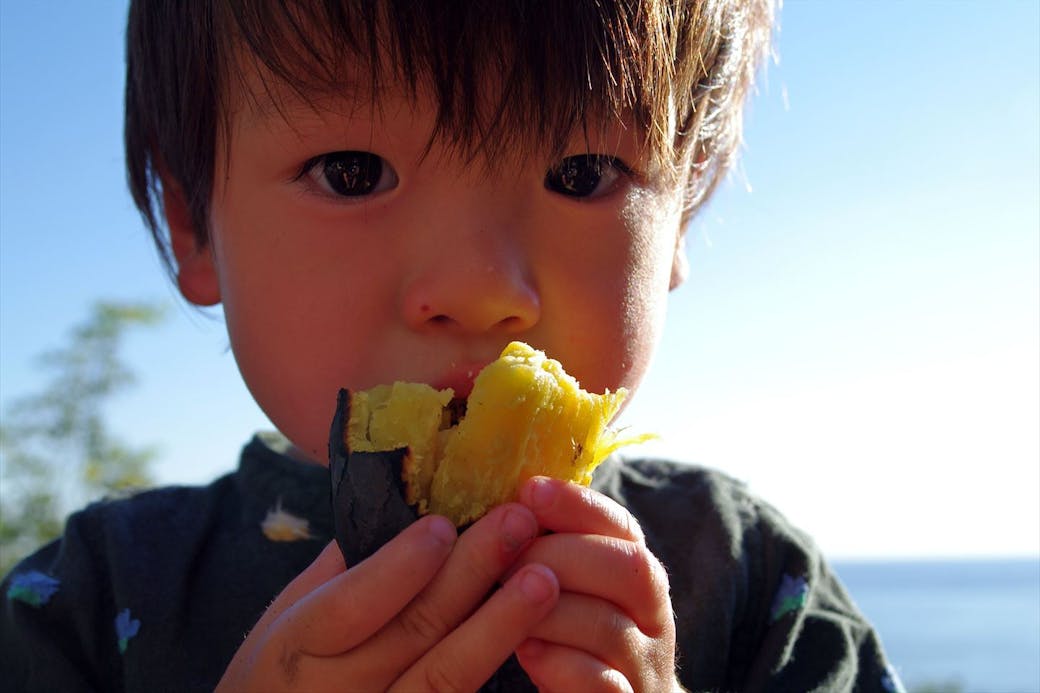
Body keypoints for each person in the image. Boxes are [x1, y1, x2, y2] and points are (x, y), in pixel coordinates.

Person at [2, 1, 903, 691]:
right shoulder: (86, 607)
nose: (480, 289)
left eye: (581, 174)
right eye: (353, 173)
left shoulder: (752, 589)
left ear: (683, 211)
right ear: (193, 221)